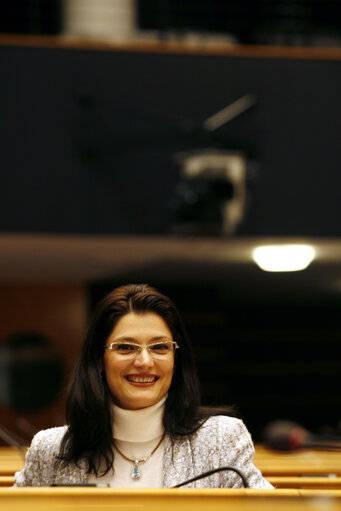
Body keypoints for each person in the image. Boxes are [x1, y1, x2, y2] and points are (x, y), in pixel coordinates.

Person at [14, 284, 273, 488]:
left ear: (175, 358)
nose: (144, 361)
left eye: (160, 347)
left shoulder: (221, 439)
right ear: (99, 359)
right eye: (126, 347)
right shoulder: (51, 450)